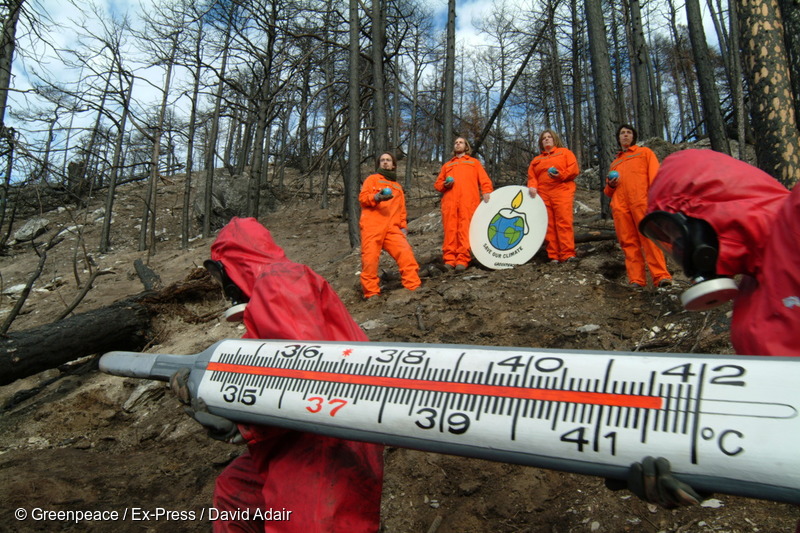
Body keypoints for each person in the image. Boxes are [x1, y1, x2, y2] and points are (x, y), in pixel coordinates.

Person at [172, 217, 384, 533]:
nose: (222, 288)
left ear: (232, 267)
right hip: (313, 435)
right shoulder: (276, 291)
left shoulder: (280, 282)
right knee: (235, 494)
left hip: (323, 441)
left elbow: (304, 376)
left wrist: (240, 422)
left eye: (220, 276)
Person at [623, 149, 800, 510]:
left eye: (676, 235)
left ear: (706, 212)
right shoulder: (752, 294)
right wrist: (710, 462)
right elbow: (782, 416)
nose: (679, 251)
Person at [604, 124, 672, 288]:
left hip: (642, 202)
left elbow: (655, 176)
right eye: (622, 133)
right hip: (620, 207)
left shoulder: (644, 153)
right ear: (618, 138)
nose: (625, 135)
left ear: (633, 137)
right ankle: (636, 280)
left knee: (650, 239)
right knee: (628, 243)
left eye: (628, 133)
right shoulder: (615, 163)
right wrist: (611, 185)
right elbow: (607, 191)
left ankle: (661, 276)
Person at [358, 153, 421, 299]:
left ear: (393, 165)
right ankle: (371, 292)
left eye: (388, 160)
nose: (385, 162)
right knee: (370, 260)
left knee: (406, 254)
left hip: (392, 228)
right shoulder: (372, 179)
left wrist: (403, 227)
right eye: (382, 160)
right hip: (372, 226)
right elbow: (362, 198)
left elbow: (401, 209)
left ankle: (413, 286)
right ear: (379, 164)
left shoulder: (397, 187)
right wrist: (377, 197)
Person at [434, 137, 494, 271]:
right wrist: (445, 184)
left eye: (460, 142)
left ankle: (463, 259)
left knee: (464, 230)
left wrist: (487, 192)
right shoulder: (447, 165)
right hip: (449, 203)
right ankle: (449, 260)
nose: (458, 144)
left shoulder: (473, 163)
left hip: (468, 202)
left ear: (466, 146)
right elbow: (438, 184)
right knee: (450, 231)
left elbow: (484, 180)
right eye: (455, 142)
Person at [527, 129, 580, 263]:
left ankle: (567, 253)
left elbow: (574, 169)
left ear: (554, 139)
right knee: (548, 224)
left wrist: (561, 175)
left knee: (564, 221)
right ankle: (554, 255)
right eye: (544, 138)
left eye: (549, 137)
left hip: (562, 190)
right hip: (543, 193)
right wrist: (532, 186)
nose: (546, 139)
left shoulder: (565, 153)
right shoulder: (536, 160)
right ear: (541, 142)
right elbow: (532, 176)